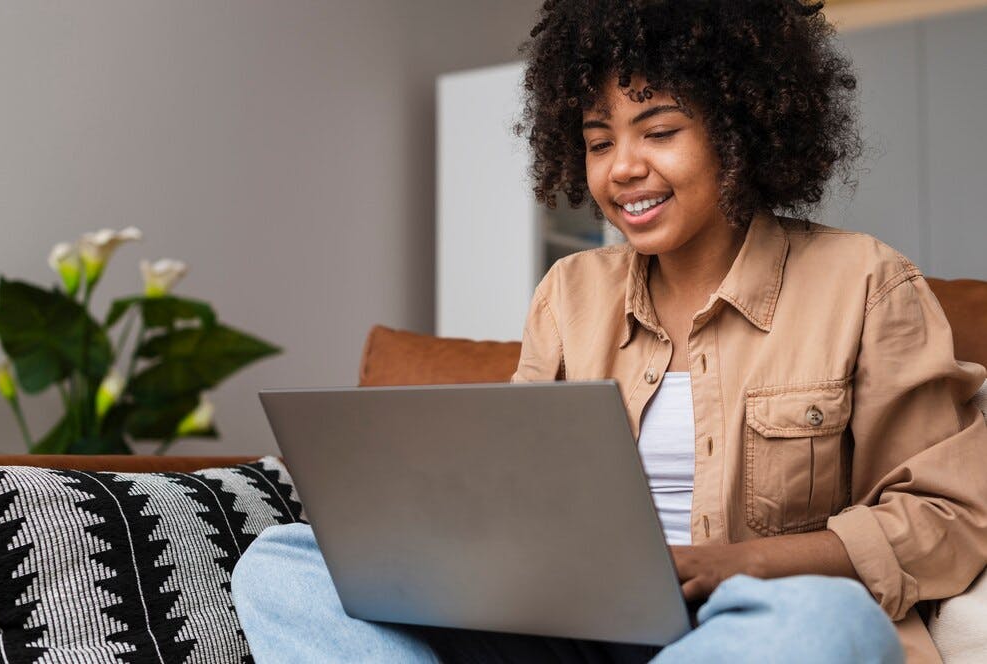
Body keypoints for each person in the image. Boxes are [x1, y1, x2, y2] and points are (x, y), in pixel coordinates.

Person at [232, 1, 987, 662]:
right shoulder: (569, 293)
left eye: (658, 131)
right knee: (284, 562)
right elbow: (509, 488)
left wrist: (739, 565)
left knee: (825, 620)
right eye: (598, 142)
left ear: (740, 132)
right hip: (572, 629)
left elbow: (945, 521)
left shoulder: (864, 282)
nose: (622, 168)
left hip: (753, 620)